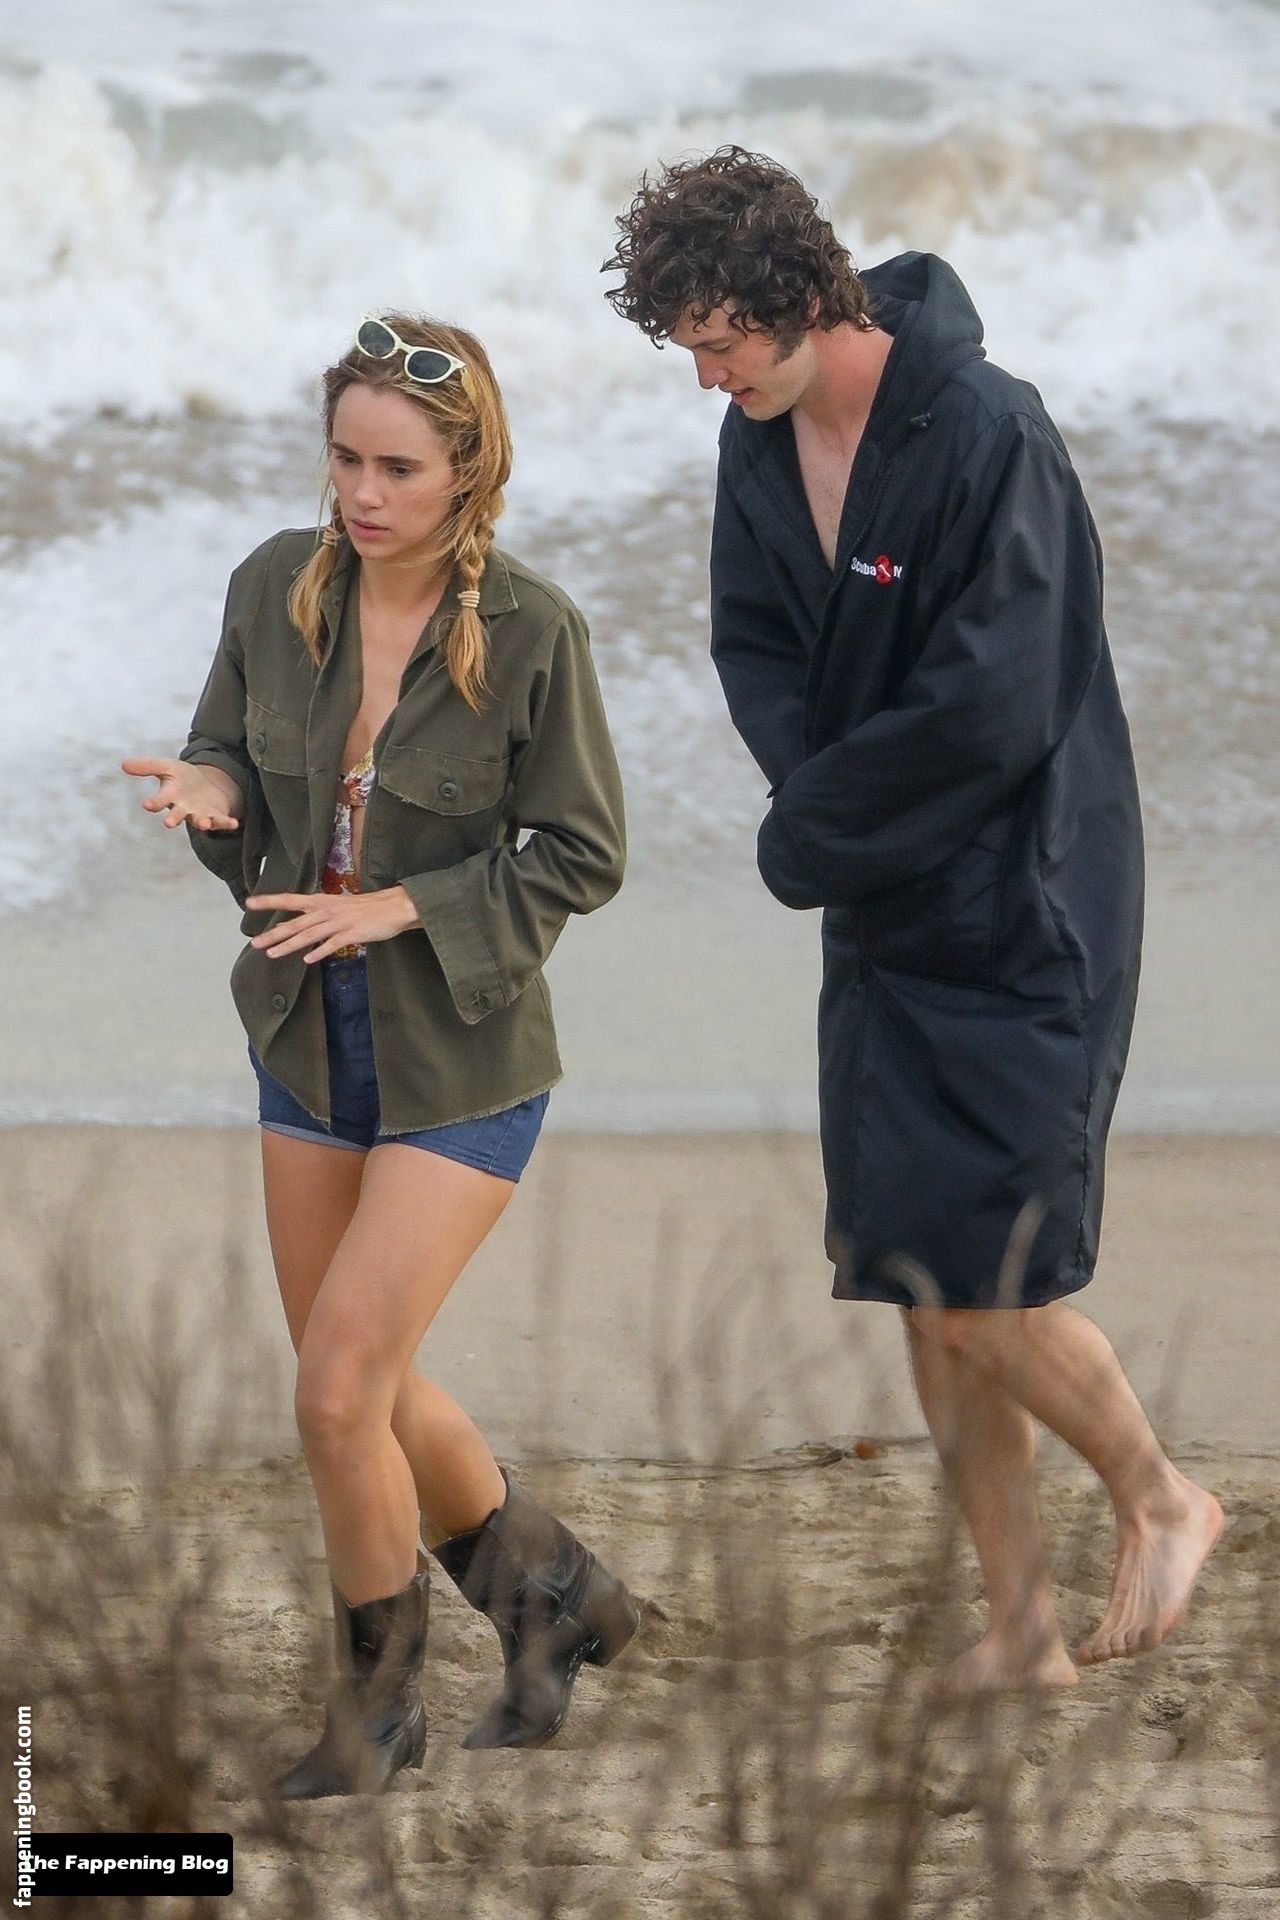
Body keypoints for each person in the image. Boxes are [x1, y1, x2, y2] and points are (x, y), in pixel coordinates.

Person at [604, 148, 1222, 1691]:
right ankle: (1020, 1624)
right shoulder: (757, 442)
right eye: (685, 348)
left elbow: (998, 698)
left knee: (978, 1277)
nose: (705, 376)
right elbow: (754, 645)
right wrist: (822, 809)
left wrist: (818, 827)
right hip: (882, 903)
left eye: (717, 341)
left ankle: (1163, 1496)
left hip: (1026, 900)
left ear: (797, 296)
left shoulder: (990, 432)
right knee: (911, 1263)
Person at [122, 314, 639, 1793]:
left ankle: (380, 1715)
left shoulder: (533, 631)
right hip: (303, 1037)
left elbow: (583, 854)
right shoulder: (272, 587)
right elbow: (227, 751)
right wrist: (211, 791)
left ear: (468, 471)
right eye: (345, 458)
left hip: (461, 1055)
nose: (362, 492)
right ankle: (552, 1593)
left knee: (339, 1388)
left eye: (398, 468)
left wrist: (402, 906)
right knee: (360, 1381)